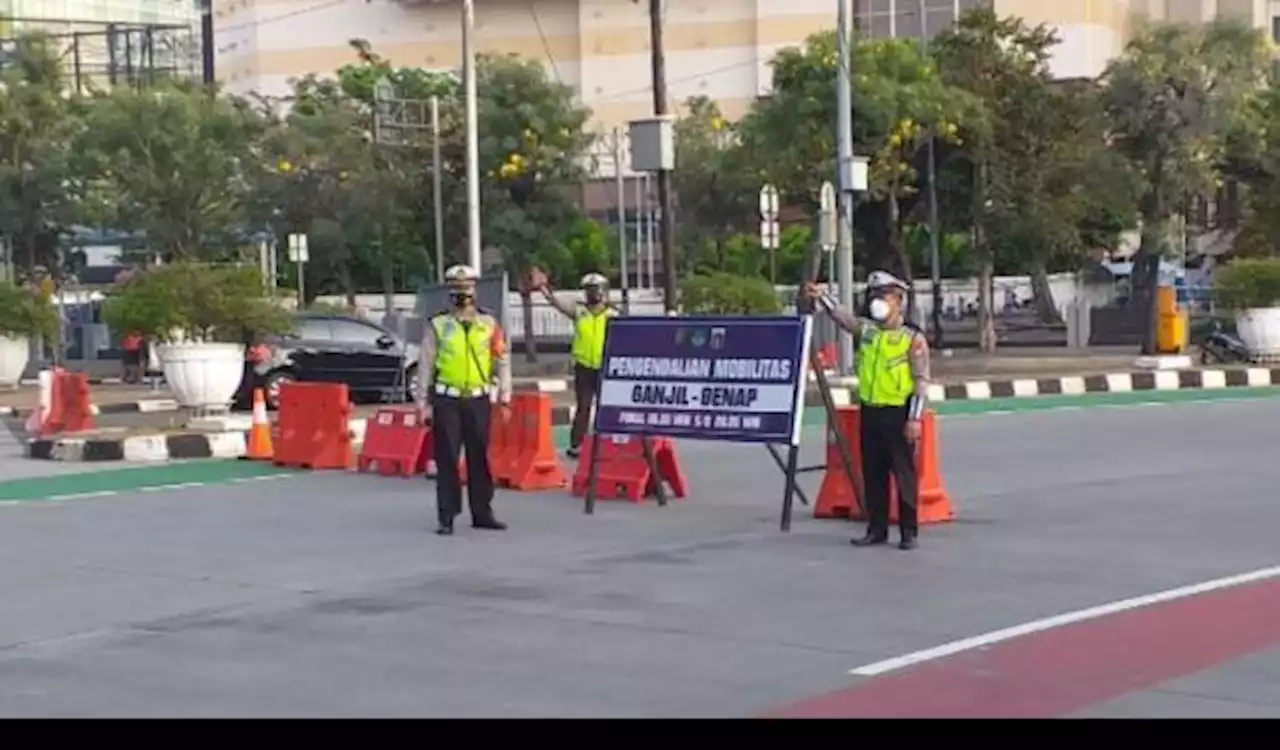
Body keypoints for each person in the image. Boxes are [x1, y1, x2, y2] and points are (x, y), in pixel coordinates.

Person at [802, 270, 932, 550]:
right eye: (876, 295)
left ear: (898, 300)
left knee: (903, 474)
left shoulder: (912, 339)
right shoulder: (869, 332)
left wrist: (915, 418)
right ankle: (877, 528)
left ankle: (908, 532)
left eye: (885, 295)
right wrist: (823, 297)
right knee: (873, 474)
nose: (879, 301)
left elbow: (922, 380)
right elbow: (844, 319)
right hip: (870, 411)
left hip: (898, 413)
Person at [419, 264, 512, 536]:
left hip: (478, 398)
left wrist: (505, 396)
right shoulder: (439, 324)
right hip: (447, 399)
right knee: (447, 459)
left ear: (475, 291)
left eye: (467, 289)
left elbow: (502, 360)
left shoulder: (489, 324)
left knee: (479, 457)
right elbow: (426, 363)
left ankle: (482, 512)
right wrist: (421, 402)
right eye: (457, 289)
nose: (462, 294)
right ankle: (446, 516)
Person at [529, 268, 617, 459]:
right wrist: (543, 288)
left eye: (595, 289)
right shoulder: (579, 311)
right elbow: (556, 303)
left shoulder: (613, 314)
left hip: (606, 368)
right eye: (589, 289)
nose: (592, 293)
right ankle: (576, 444)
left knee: (607, 407)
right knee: (583, 407)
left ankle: (608, 445)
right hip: (584, 367)